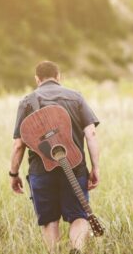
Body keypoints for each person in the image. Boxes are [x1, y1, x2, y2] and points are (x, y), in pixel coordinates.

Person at [9, 60, 100, 254]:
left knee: (50, 219)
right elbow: (91, 133)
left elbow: (18, 144)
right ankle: (76, 249)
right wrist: (95, 168)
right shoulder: (76, 98)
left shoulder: (26, 102)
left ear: (37, 79)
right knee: (79, 216)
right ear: (59, 77)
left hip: (41, 171)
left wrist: (13, 174)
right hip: (74, 167)